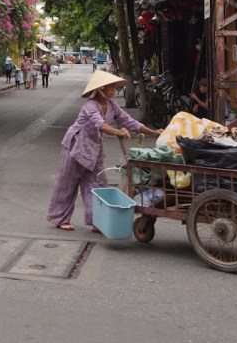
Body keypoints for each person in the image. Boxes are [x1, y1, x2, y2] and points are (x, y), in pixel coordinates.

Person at [46, 70, 159, 232]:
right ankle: (60, 218)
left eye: (114, 87)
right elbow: (101, 125)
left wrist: (153, 132)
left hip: (94, 150)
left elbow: (130, 121)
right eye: (111, 87)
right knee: (67, 184)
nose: (114, 90)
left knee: (98, 184)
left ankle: (97, 220)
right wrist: (118, 132)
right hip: (75, 147)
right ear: (101, 89)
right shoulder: (90, 106)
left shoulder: (112, 106)